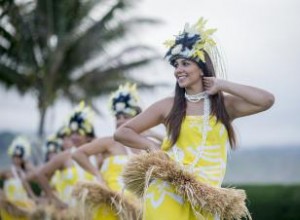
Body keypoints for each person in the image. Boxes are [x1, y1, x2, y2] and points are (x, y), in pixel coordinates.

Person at [114, 18, 275, 220]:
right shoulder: (169, 105)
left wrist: (222, 84)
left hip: (206, 198)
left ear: (201, 68)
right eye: (175, 64)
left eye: (185, 63)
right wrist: (153, 149)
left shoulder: (224, 106)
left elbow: (266, 100)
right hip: (167, 190)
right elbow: (122, 132)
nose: (178, 69)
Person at [72, 83, 163, 220]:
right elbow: (78, 154)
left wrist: (152, 132)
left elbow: (172, 150)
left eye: (126, 117)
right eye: (117, 117)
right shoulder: (109, 142)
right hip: (111, 205)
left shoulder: (147, 145)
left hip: (139, 208)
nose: (120, 121)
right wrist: (98, 175)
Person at [0, 136, 37, 220]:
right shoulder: (7, 172)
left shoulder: (25, 173)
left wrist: (35, 199)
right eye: (15, 157)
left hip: (23, 206)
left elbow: (29, 190)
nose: (16, 159)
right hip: (9, 207)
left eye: (19, 157)